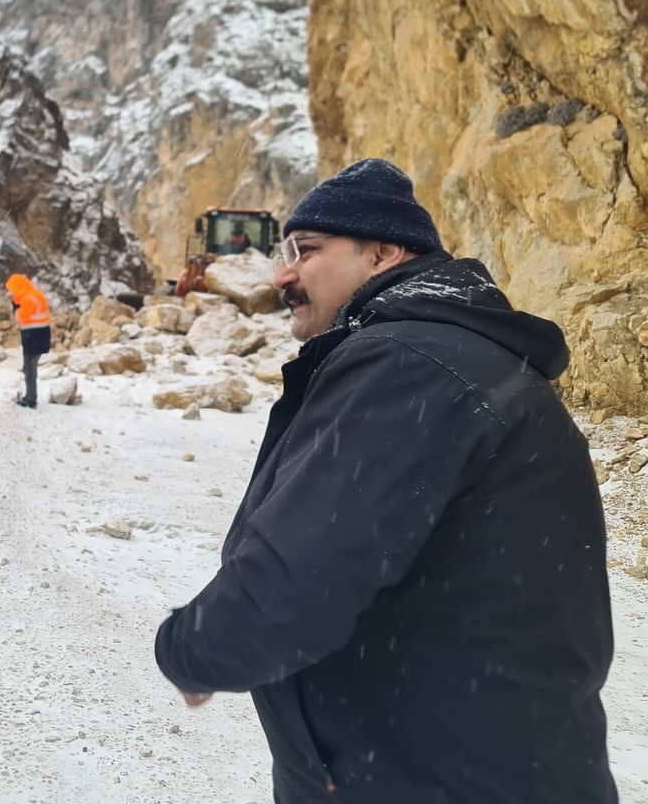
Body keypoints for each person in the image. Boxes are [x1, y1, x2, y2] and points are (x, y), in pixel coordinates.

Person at [154, 158, 616, 803]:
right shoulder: (451, 356)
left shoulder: (406, 364)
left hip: (430, 778)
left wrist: (190, 649)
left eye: (307, 251)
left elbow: (299, 575)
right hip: (471, 765)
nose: (283, 273)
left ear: (383, 254)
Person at [5, 273, 51, 408]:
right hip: (39, 334)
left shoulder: (28, 298)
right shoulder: (35, 293)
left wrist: (15, 306)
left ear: (18, 287)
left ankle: (31, 399)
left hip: (34, 335)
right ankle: (30, 395)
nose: (11, 292)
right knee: (29, 367)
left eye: (12, 289)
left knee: (29, 369)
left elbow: (21, 318)